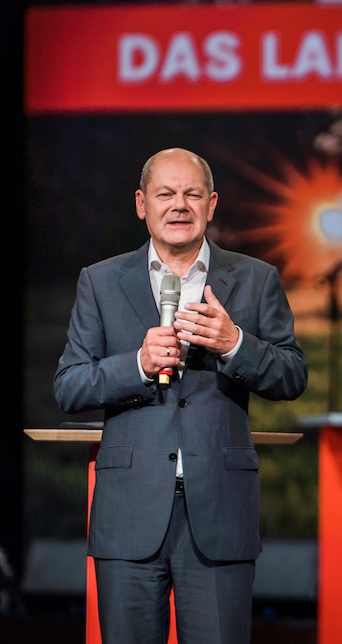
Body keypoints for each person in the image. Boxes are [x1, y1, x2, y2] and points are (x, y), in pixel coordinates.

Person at [54, 148, 307, 644]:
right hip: (129, 516)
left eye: (192, 194)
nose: (179, 205)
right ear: (141, 204)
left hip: (218, 516)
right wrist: (137, 365)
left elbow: (291, 374)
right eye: (165, 194)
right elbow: (69, 385)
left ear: (211, 205)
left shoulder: (255, 279)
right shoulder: (101, 281)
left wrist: (235, 344)